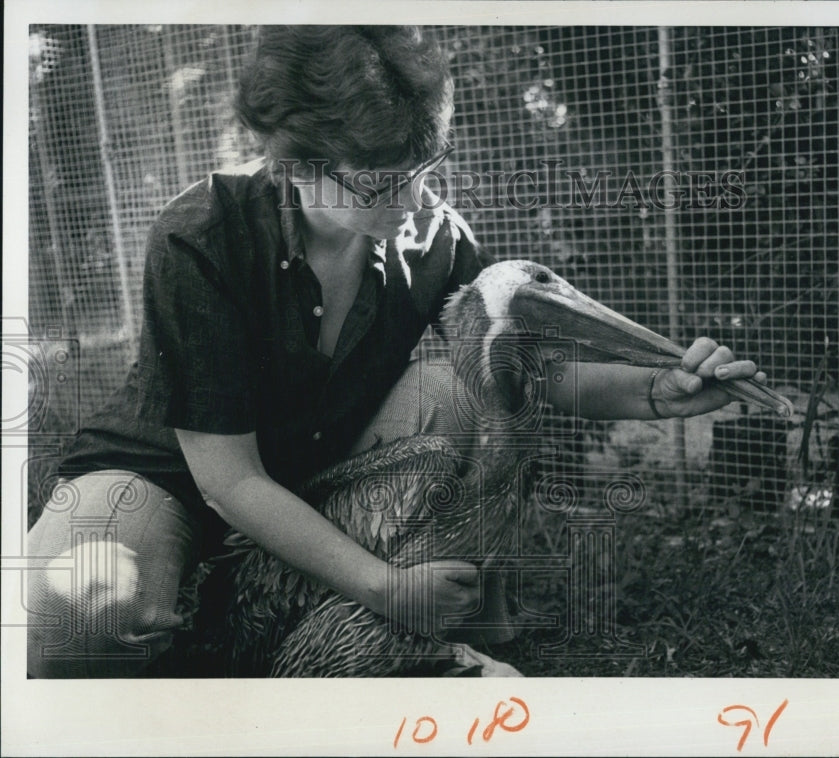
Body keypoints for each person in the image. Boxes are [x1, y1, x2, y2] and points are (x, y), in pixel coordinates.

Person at [25, 25, 766, 678]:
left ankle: (407, 630)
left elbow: (518, 368)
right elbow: (228, 481)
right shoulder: (202, 237)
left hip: (324, 471)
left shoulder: (430, 236)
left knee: (462, 384)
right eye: (386, 181)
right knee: (70, 621)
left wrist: (656, 392)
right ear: (295, 166)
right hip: (172, 477)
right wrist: (385, 586)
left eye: (425, 171)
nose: (416, 201)